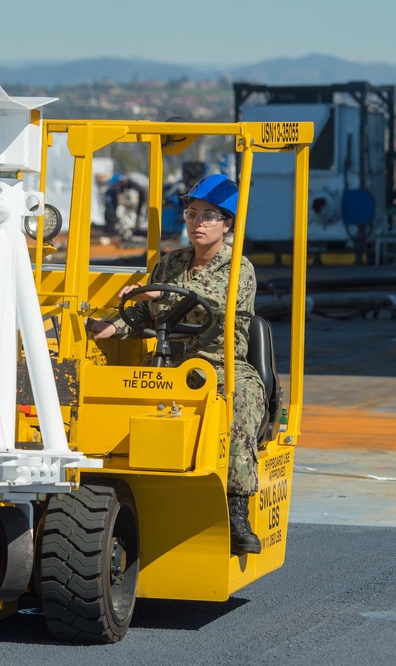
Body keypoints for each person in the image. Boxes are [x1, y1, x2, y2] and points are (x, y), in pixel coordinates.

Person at [89, 174, 265, 555]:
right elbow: (145, 315)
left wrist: (155, 291)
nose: (197, 223)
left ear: (227, 224)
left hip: (219, 367)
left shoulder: (239, 267)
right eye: (191, 214)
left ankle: (237, 509)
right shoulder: (170, 262)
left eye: (208, 216)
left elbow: (217, 302)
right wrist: (110, 327)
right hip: (167, 363)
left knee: (243, 404)